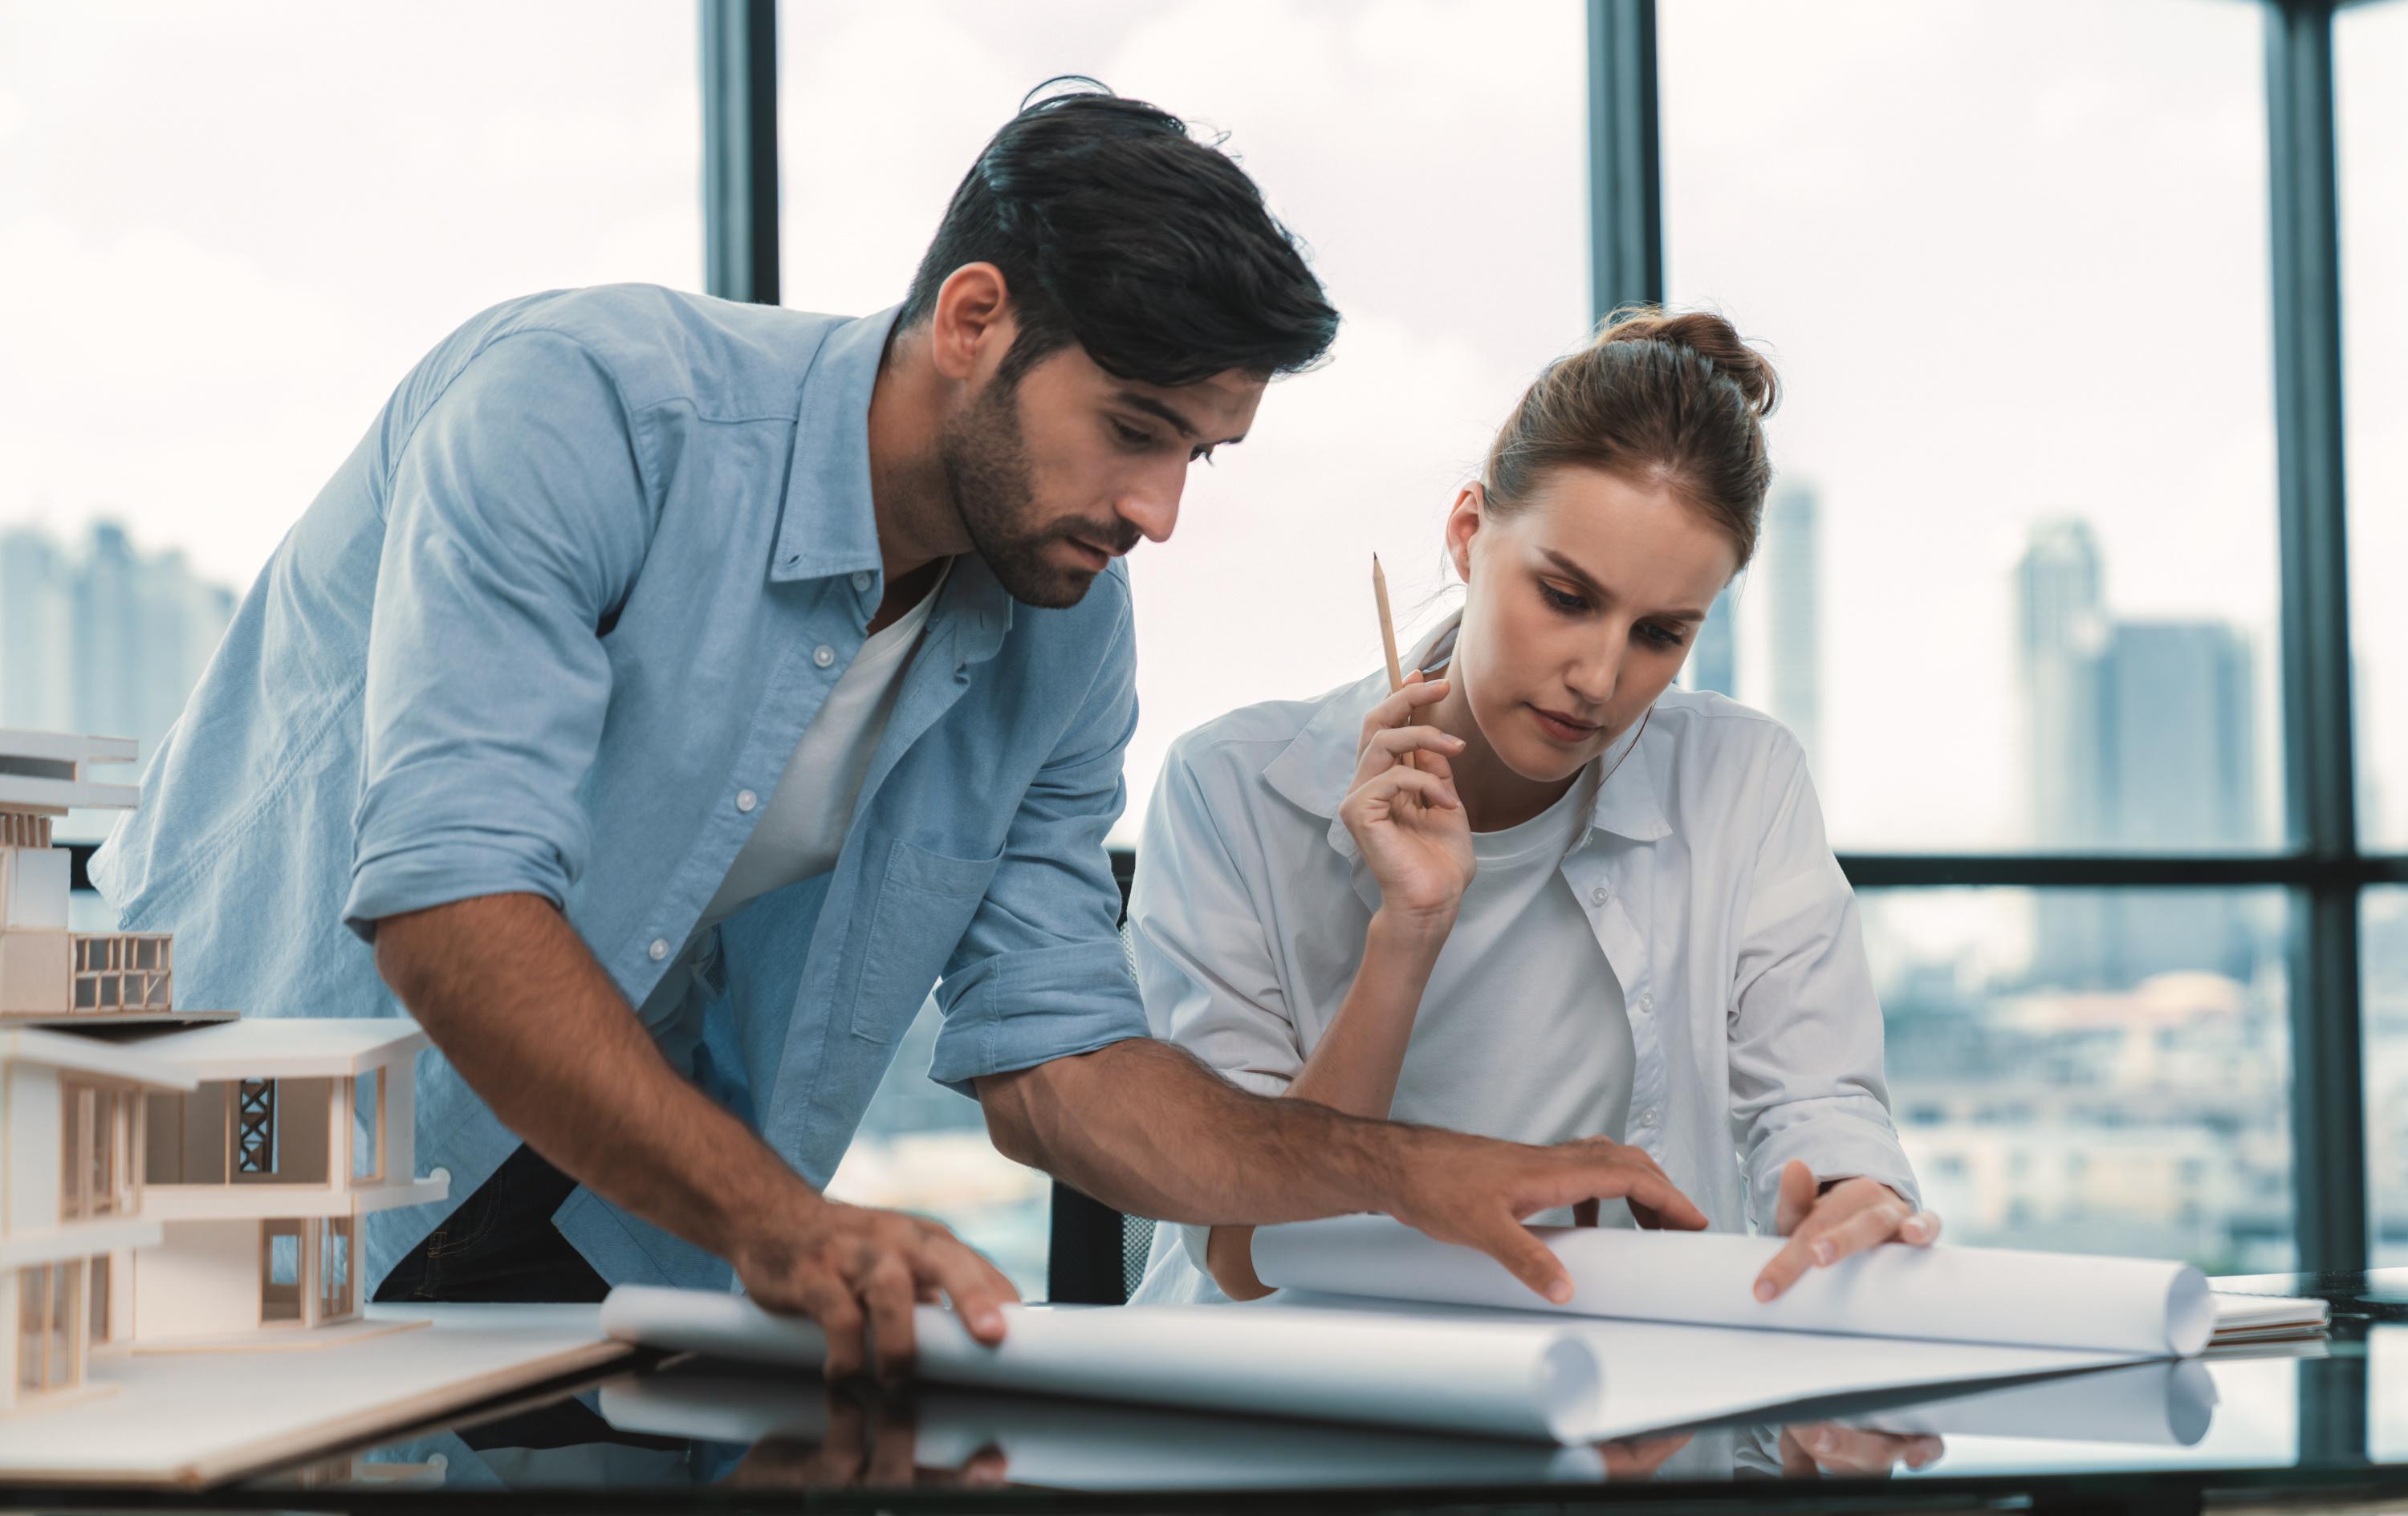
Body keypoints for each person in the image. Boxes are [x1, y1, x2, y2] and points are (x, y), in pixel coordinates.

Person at [92, 85, 1701, 1380]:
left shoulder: (1064, 628)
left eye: (1198, 457)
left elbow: (1055, 1057)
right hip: (216, 1210)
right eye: (1135, 432)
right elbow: (452, 897)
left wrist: (1408, 1170)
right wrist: (781, 1216)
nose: (1155, 510)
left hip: (607, 1276)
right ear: (974, 318)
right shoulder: (579, 409)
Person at [1127, 308, 1938, 1306]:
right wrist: (1409, 930)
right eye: (1565, 596)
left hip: (1620, 1405)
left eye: (1659, 632)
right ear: (1469, 534)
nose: (1598, 678)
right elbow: (1248, 1257)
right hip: (1307, 1418)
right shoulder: (1231, 791)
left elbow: (1815, 1103)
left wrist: (1849, 1198)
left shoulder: (1742, 777)